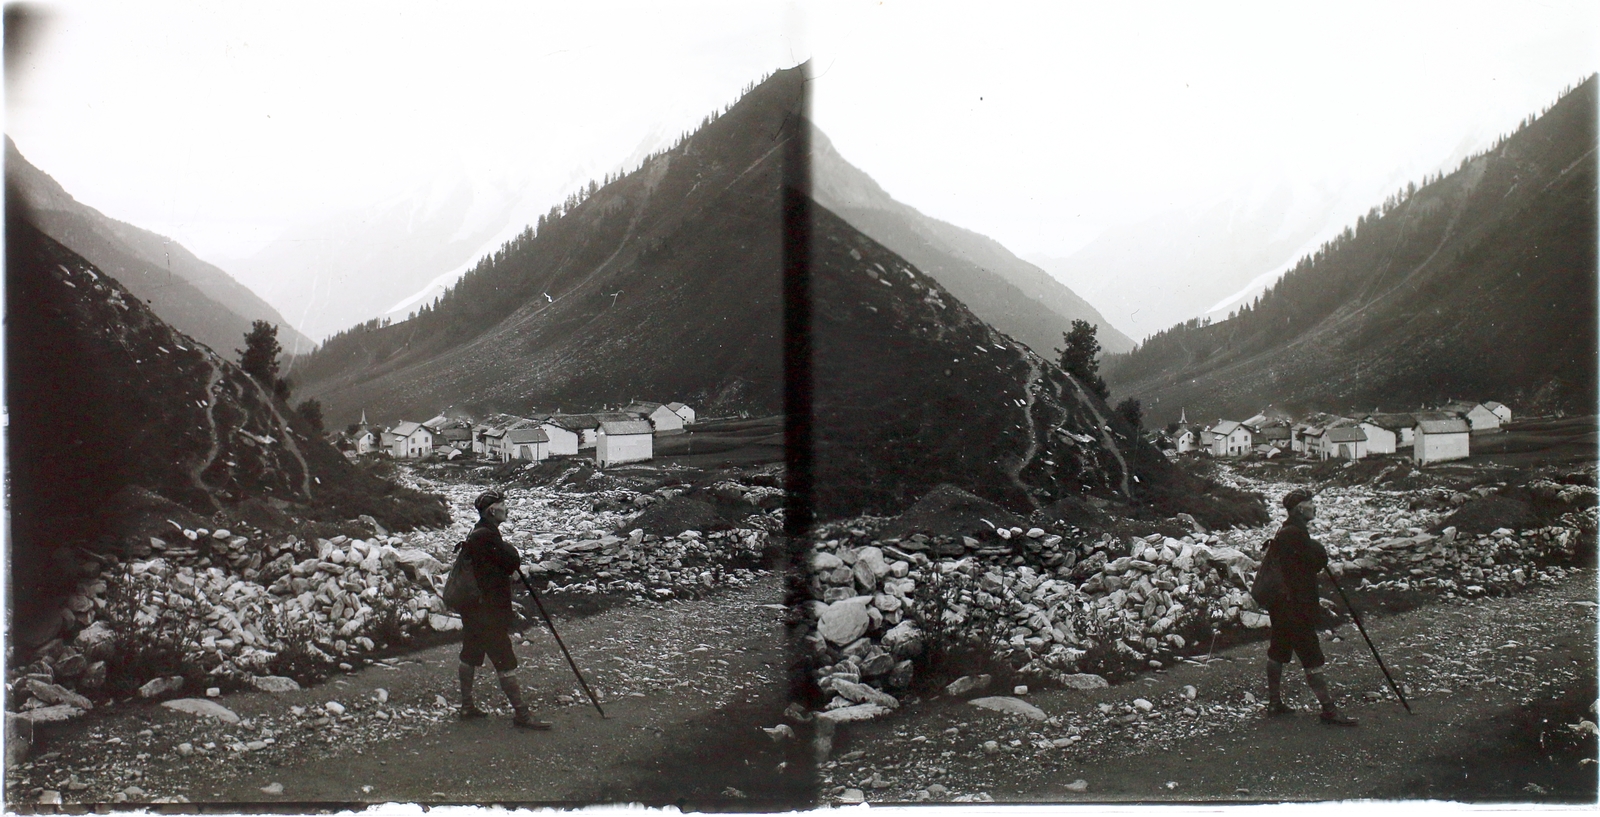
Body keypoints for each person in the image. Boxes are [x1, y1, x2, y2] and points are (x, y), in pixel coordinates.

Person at [457, 488, 551, 729]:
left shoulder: (477, 532)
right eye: (503, 504)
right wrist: (510, 549)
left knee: (470, 653)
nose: (506, 508)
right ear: (492, 510)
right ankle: (521, 714)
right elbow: (511, 562)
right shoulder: (487, 536)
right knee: (504, 659)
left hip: (473, 607)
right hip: (489, 609)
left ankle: (466, 705)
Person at [1264, 488, 1357, 726]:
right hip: (1297, 606)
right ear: (1299, 509)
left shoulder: (1286, 530)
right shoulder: (1295, 534)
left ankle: (1274, 703)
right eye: (1310, 503)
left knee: (1278, 649)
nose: (1314, 507)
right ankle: (1328, 709)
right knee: (1311, 656)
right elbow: (1315, 561)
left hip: (1282, 605)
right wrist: (1318, 550)